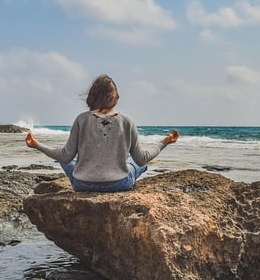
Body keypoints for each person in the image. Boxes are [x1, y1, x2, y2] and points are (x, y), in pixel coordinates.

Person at [25, 74, 179, 192]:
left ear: (92, 96)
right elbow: (142, 158)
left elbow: (65, 157)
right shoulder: (127, 121)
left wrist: (37, 145)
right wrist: (164, 142)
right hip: (119, 184)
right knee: (135, 161)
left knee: (64, 155)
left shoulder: (81, 119)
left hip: (82, 185)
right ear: (115, 97)